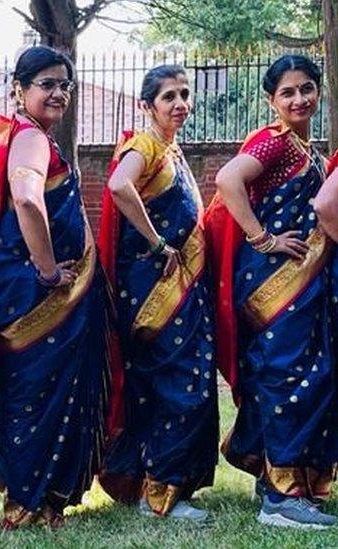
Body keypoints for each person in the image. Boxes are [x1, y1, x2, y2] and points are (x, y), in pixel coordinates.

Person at [0, 45, 114, 529]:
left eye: (65, 84)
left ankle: (33, 500)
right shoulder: (30, 140)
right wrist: (47, 271)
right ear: (19, 90)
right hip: (33, 293)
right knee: (35, 395)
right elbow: (26, 199)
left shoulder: (17, 134)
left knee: (29, 393)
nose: (59, 93)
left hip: (14, 289)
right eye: (47, 84)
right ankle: (28, 505)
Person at [206, 54, 338, 529]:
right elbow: (227, 180)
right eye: (288, 92)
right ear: (271, 100)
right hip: (273, 285)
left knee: (301, 376)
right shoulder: (274, 142)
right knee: (288, 378)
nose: (299, 99)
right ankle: (281, 499)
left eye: (307, 88)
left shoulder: (311, 153)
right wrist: (263, 238)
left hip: (299, 288)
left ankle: (284, 482)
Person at [96, 65, 219, 522]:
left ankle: (168, 483)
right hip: (155, 289)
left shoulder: (171, 149)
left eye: (184, 94)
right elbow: (117, 186)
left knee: (185, 380)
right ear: (147, 105)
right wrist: (157, 242)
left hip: (181, 287)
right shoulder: (144, 145)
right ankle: (160, 494)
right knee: (174, 381)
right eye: (169, 96)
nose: (180, 103)